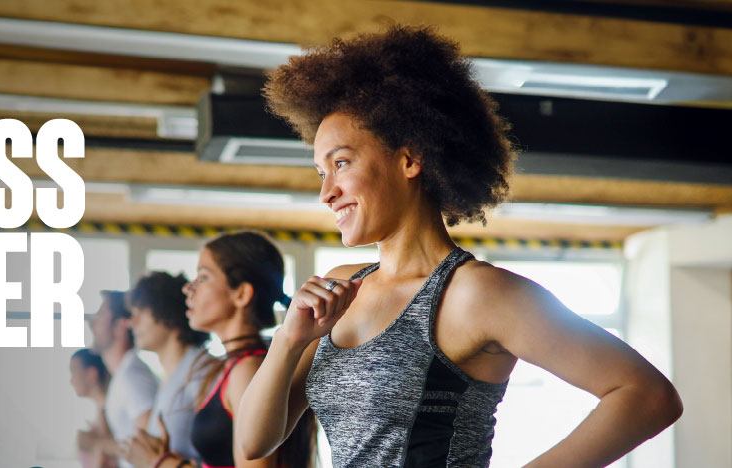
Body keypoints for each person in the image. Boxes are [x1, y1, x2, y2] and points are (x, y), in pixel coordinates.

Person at [234, 25, 684, 468]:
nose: (326, 192)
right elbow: (254, 442)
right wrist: (289, 342)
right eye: (320, 172)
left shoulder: (478, 294)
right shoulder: (339, 287)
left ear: (409, 159)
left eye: (342, 163)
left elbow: (648, 396)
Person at [121, 231, 319, 468]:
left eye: (203, 277)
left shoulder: (248, 369)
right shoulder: (236, 364)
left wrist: (160, 463)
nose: (189, 289)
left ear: (242, 294)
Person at [116, 272, 215, 467]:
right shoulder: (170, 375)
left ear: (165, 313)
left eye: (140, 312)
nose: (131, 322)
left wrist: (154, 461)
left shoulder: (200, 370)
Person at [88, 290, 159, 468]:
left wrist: (100, 445)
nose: (92, 322)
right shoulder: (121, 376)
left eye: (101, 314)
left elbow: (153, 446)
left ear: (120, 326)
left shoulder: (132, 376)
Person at [70, 348, 114, 468]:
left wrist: (95, 443)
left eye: (74, 372)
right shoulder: (101, 412)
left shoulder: (108, 413)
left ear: (91, 374)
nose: (71, 381)